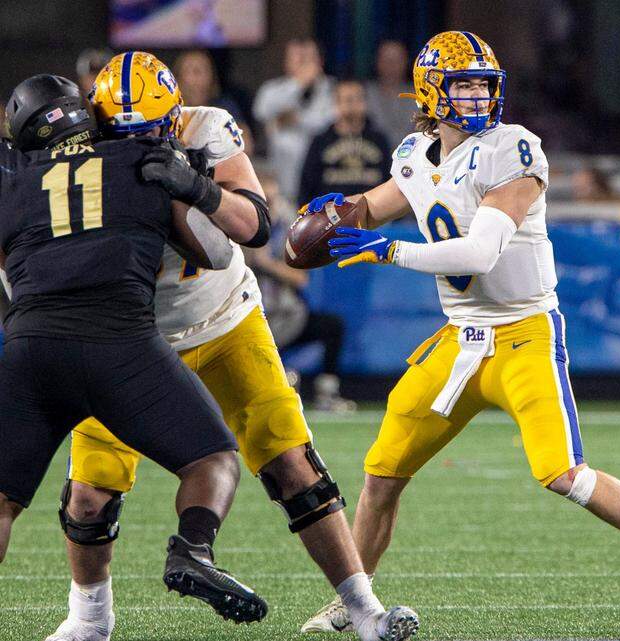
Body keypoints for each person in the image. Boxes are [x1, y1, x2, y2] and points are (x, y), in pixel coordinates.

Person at [297, 31, 620, 635]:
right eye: (463, 84)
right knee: (382, 473)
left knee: (564, 474)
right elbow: (376, 204)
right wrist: (338, 211)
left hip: (524, 331)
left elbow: (479, 252)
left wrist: (389, 251)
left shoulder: (513, 149)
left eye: (483, 84)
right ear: (430, 90)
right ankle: (356, 601)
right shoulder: (415, 154)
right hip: (460, 339)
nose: (476, 96)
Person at [49, 53, 418, 641]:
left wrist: (195, 187)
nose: (140, 141)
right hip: (126, 335)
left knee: (295, 464)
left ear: (174, 115)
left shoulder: (206, 127)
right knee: (90, 495)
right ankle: (89, 621)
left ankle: (364, 607)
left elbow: (255, 225)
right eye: (125, 132)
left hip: (223, 320)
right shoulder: (77, 152)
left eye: (151, 128)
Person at [0, 73, 268, 631]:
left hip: (32, 345)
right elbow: (219, 251)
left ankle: (91, 617)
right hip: (123, 345)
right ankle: (191, 549)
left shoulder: (14, 181)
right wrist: (189, 189)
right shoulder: (139, 159)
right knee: (213, 460)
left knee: (4, 501)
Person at [249, 172, 355, 412]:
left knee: (332, 326)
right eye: (264, 199)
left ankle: (327, 393)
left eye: (272, 199)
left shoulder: (288, 226)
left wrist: (267, 264)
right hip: (250, 315)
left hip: (285, 315)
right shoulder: (241, 226)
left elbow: (300, 278)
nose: (269, 205)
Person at [253, 39, 335, 205]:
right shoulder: (273, 89)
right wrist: (298, 85)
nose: (303, 64)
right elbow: (261, 112)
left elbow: (329, 122)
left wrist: (296, 119)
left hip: (324, 180)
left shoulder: (331, 87)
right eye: (298, 58)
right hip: (284, 182)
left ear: (320, 62)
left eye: (308, 58)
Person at [299, 79, 392, 205]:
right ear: (336, 103)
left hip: (375, 217)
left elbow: (391, 182)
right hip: (330, 218)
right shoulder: (321, 141)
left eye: (358, 99)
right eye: (348, 100)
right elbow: (307, 185)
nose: (354, 105)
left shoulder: (379, 140)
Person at [173, 50, 253, 152]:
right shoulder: (168, 112)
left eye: (205, 71)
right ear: (177, 78)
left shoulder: (224, 108)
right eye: (195, 71)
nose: (200, 79)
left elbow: (246, 145)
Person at [366, 40, 419, 146]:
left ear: (406, 62)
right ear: (377, 61)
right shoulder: (365, 93)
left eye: (396, 60)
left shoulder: (419, 95)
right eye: (386, 60)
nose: (391, 65)